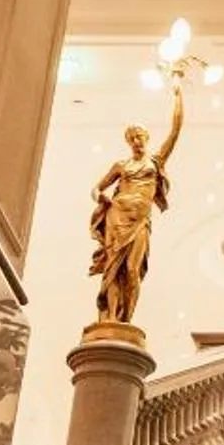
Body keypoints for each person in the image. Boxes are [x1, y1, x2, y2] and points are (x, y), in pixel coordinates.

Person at [89, 79, 186, 327]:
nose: (136, 141)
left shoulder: (155, 161)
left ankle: (125, 320)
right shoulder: (121, 166)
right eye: (132, 138)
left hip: (140, 220)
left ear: (146, 138)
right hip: (117, 217)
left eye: (139, 136)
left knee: (132, 270)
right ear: (128, 141)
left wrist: (178, 95)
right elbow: (97, 187)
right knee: (113, 271)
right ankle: (110, 318)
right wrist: (100, 196)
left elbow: (175, 131)